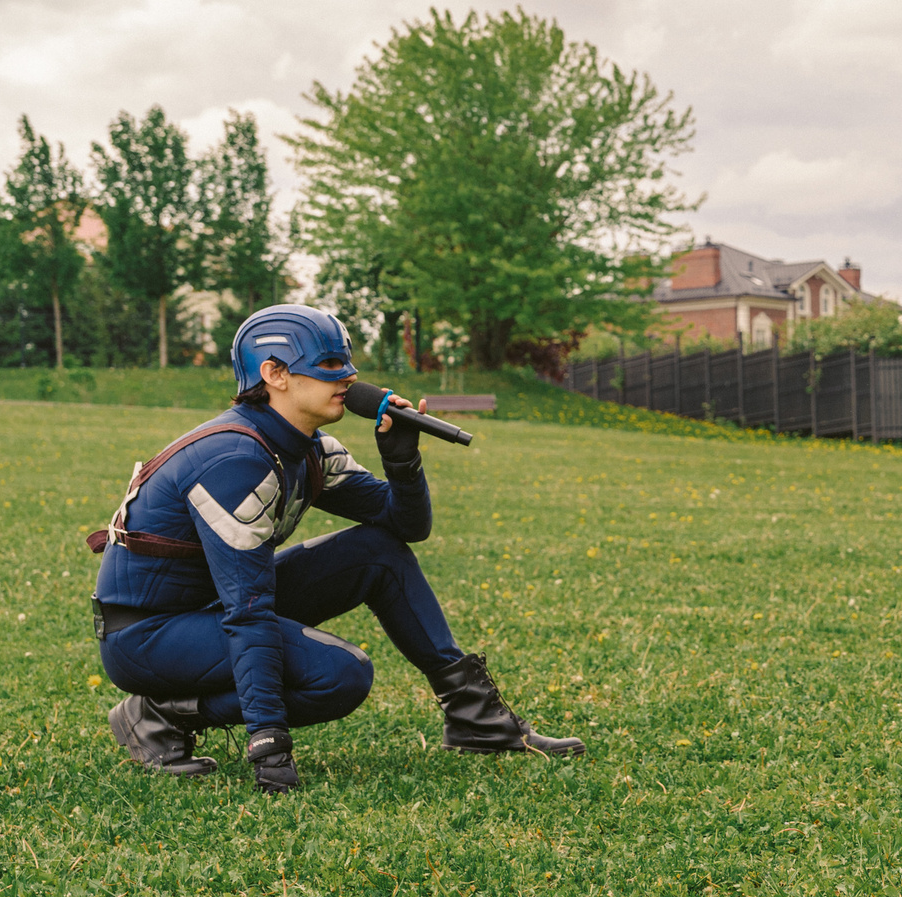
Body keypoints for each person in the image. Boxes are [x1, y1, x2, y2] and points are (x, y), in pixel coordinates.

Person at [90, 304, 582, 792]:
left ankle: (476, 719)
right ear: (274, 374)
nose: (348, 376)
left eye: (347, 363)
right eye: (328, 366)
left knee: (376, 550)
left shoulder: (308, 446)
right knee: (340, 675)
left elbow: (403, 528)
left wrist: (402, 458)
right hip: (148, 636)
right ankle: (161, 715)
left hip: (210, 607)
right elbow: (248, 612)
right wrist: (269, 746)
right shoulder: (234, 459)